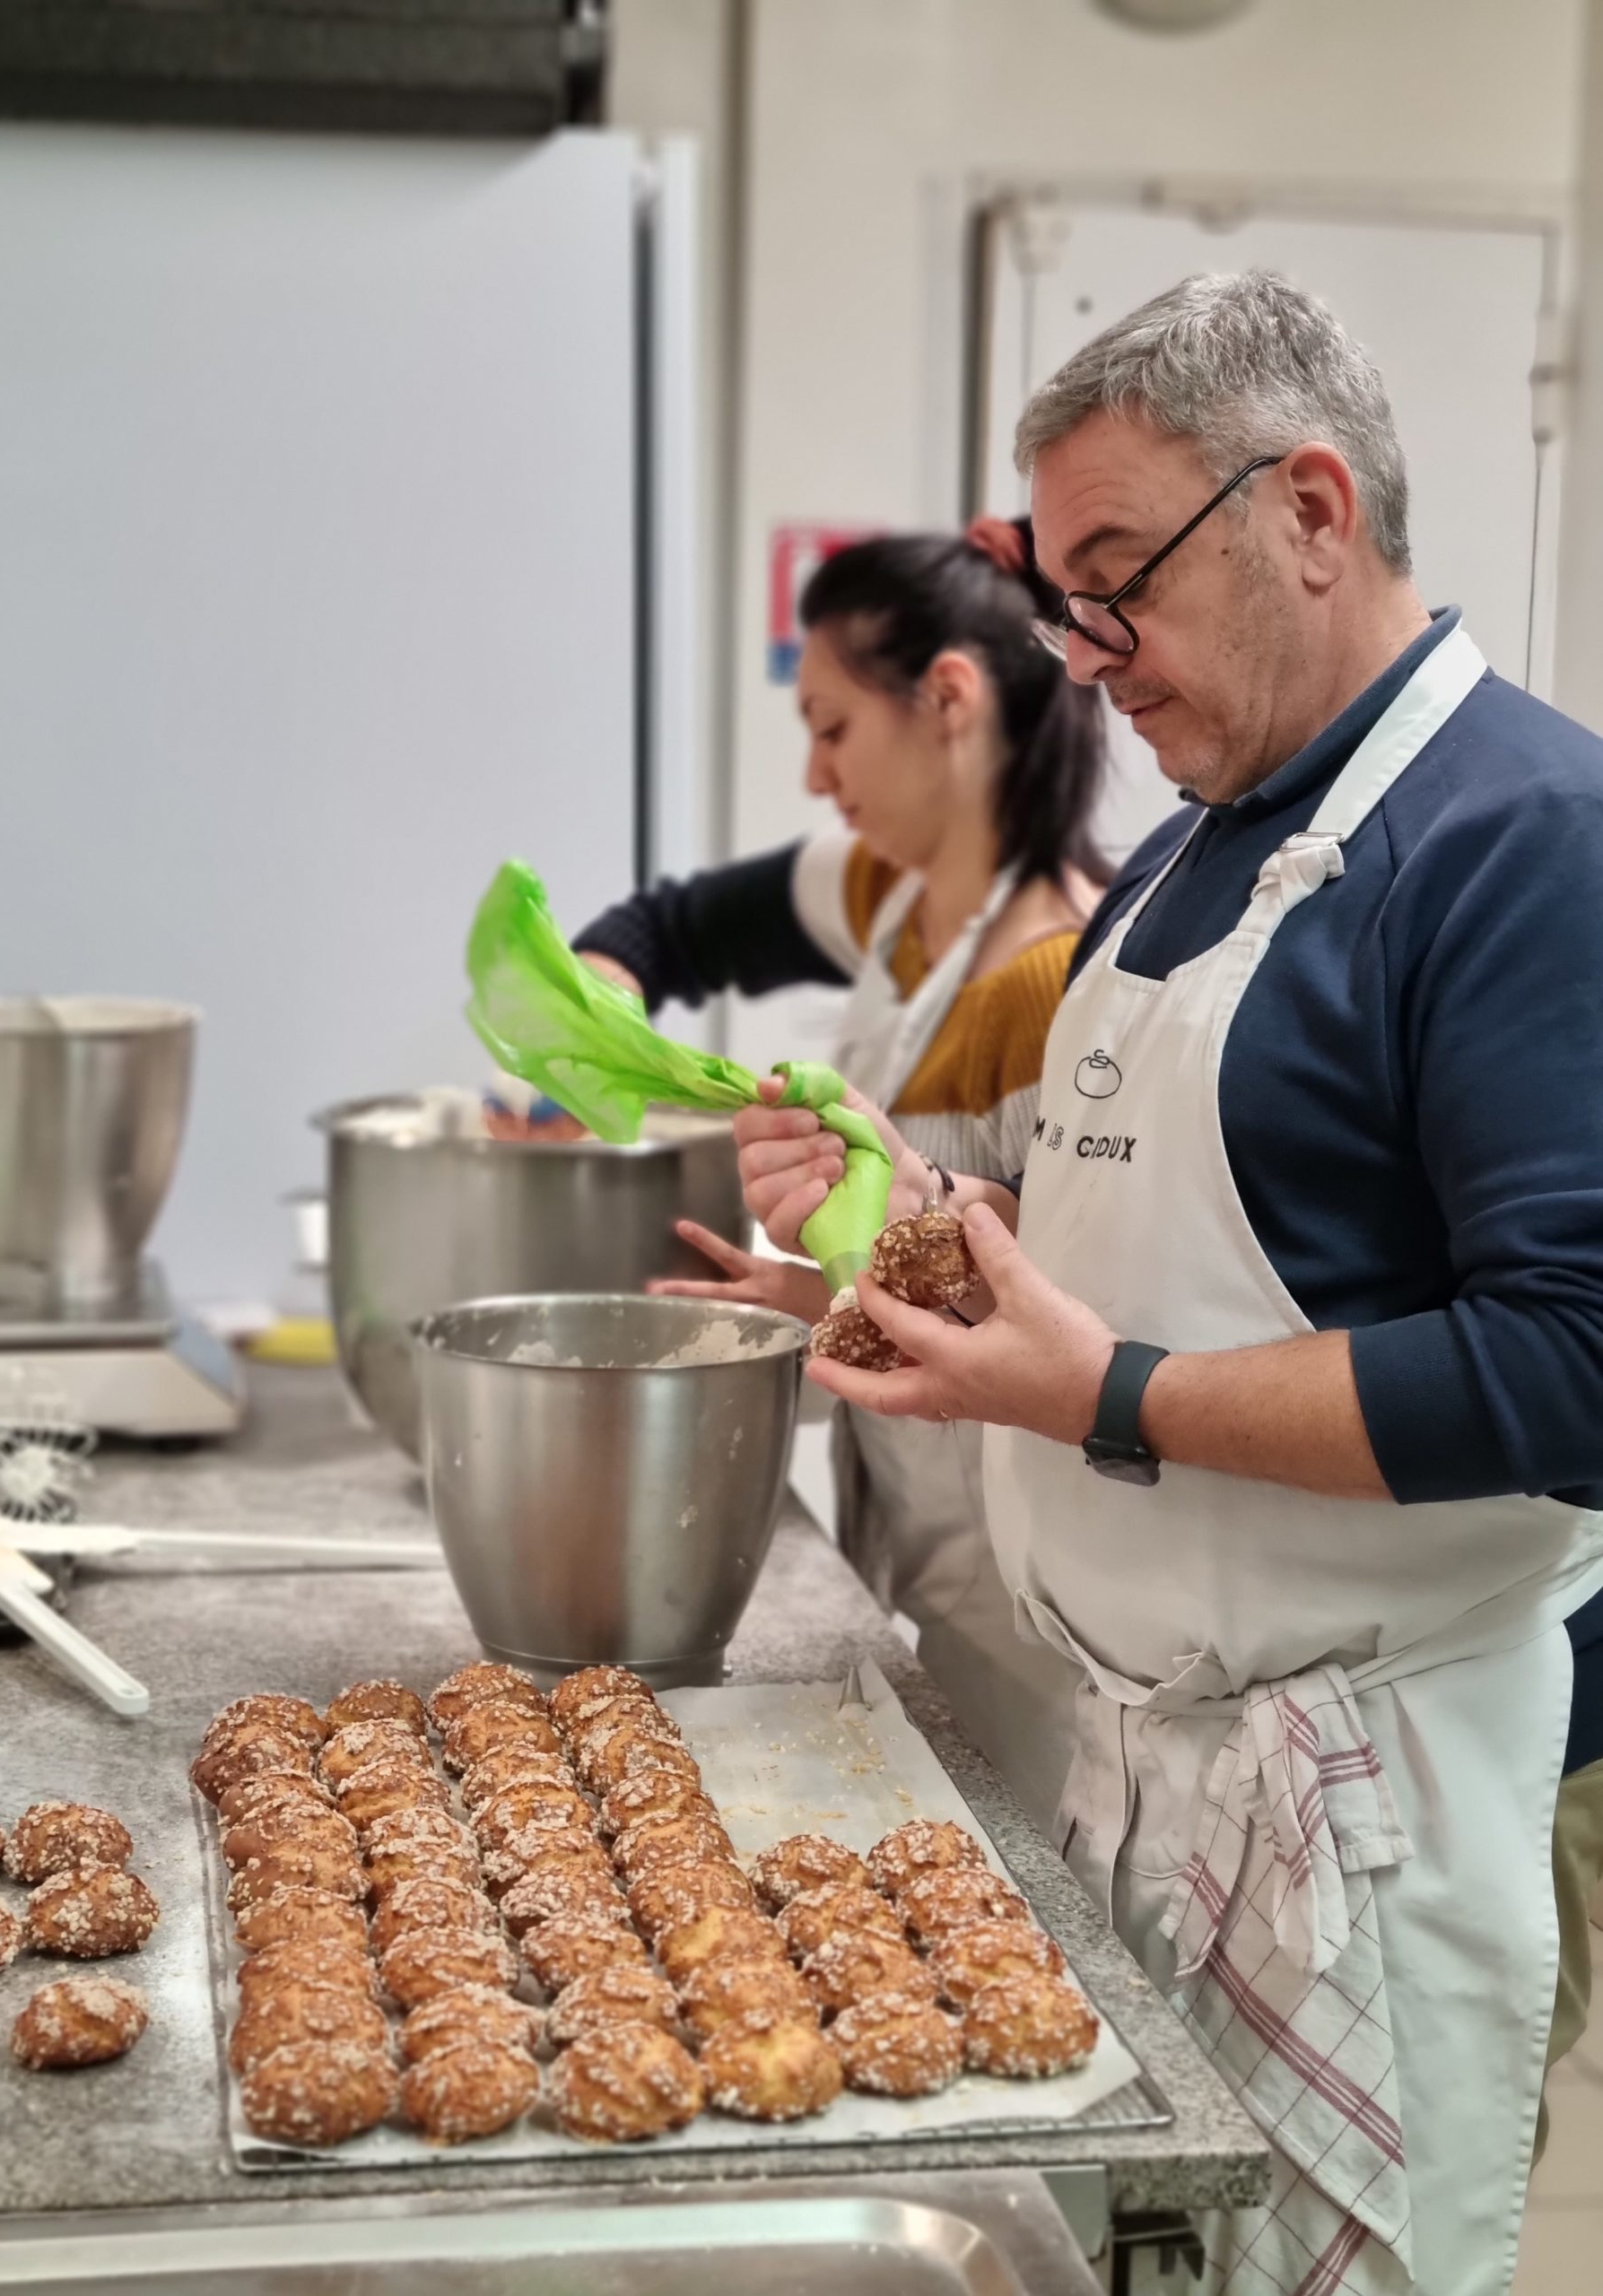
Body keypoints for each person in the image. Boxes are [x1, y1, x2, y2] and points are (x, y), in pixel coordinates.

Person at [737, 272, 1603, 2295]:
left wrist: (1099, 1392)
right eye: (1059, 596)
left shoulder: (1525, 842)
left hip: (1356, 1826)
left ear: (1310, 510)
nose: (1082, 654)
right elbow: (1134, 1237)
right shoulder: (1192, 849)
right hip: (1140, 1782)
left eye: (1117, 578)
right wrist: (900, 1237)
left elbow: (1573, 1367)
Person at [574, 527, 1108, 1822]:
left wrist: (844, 1283)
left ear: (949, 700)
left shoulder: (1069, 985)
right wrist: (590, 1009)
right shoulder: (887, 891)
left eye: (831, 729)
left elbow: (1067, 1309)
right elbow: (669, 927)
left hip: (1036, 1583)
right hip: (915, 1532)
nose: (816, 776)